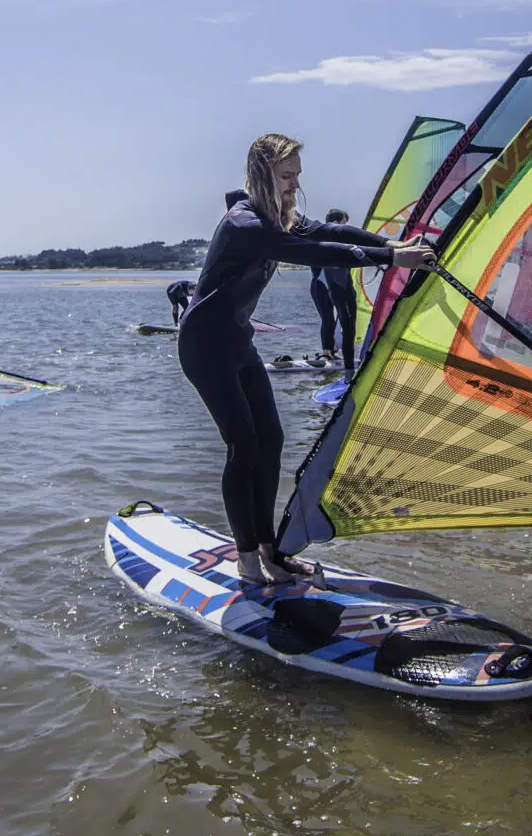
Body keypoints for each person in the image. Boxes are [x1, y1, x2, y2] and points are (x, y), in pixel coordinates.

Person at [180, 135, 431, 586]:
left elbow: (328, 233)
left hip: (238, 342)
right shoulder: (244, 224)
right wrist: (391, 257)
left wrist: (389, 242)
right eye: (286, 176)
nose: (295, 184)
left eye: (297, 175)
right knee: (243, 445)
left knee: (271, 440)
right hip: (204, 345)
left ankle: (269, 549)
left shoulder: (278, 218)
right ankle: (246, 558)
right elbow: (309, 252)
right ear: (262, 175)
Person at [309, 207, 360, 364]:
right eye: (345, 224)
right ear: (336, 222)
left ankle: (335, 351)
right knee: (327, 319)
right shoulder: (320, 240)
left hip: (338, 287)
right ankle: (326, 352)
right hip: (321, 286)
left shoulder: (344, 243)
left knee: (343, 319)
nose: (346, 227)